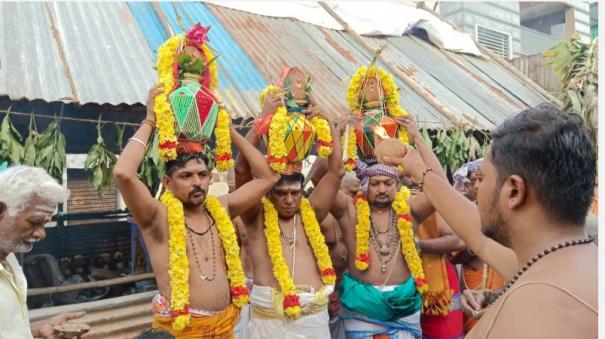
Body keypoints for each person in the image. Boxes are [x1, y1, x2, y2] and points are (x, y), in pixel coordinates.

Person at [388, 104, 597, 338]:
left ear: (514, 191)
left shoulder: (533, 311)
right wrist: (420, 172)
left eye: (484, 177)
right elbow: (476, 236)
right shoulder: (566, 260)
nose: (477, 188)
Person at [113, 85, 280, 337]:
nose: (197, 182)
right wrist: (150, 120)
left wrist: (230, 132)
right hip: (181, 331)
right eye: (186, 176)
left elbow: (267, 178)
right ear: (168, 183)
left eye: (202, 175)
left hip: (225, 327)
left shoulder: (221, 208)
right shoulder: (156, 216)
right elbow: (123, 173)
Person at [234, 90, 343, 338]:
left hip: (313, 318)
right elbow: (241, 168)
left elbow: (335, 171)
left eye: (295, 193)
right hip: (269, 322)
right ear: (267, 192)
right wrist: (261, 123)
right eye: (281, 193)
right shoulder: (255, 215)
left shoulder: (310, 213)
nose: (289, 200)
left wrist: (328, 124)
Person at [329, 114, 446, 339]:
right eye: (375, 184)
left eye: (388, 183)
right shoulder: (349, 211)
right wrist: (337, 136)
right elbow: (326, 183)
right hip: (359, 312)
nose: (382, 189)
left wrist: (417, 138)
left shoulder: (411, 211)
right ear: (364, 185)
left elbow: (439, 184)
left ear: (397, 184)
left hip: (404, 312)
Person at [0, 166, 86, 339]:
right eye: (34, 222)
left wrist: (36, 329)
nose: (41, 234)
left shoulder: (10, 259)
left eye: (44, 223)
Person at [449, 158, 506, 334]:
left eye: (481, 180)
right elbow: (455, 249)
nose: (475, 186)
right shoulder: (466, 213)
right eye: (473, 180)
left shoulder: (508, 216)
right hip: (473, 280)